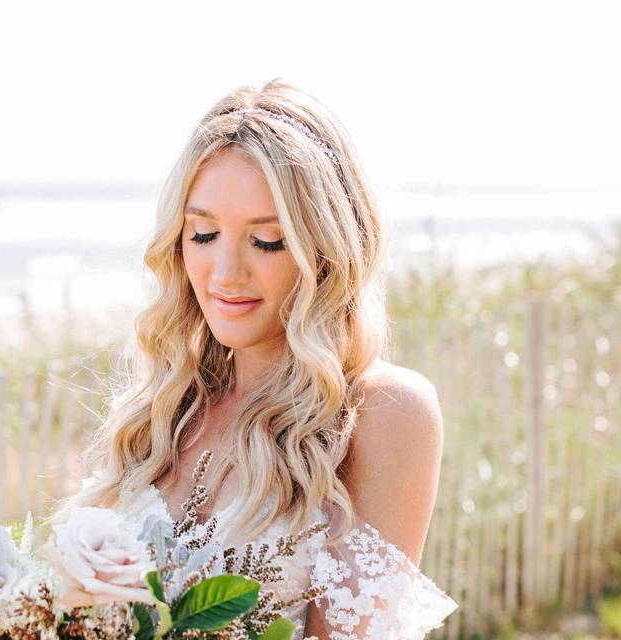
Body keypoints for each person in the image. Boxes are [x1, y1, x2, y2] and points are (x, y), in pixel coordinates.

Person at [49, 78, 459, 638]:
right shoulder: (164, 410)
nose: (225, 273)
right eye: (204, 233)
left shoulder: (385, 412)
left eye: (267, 241)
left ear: (327, 248)